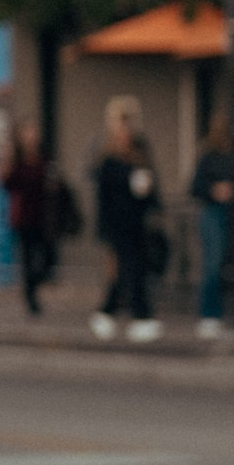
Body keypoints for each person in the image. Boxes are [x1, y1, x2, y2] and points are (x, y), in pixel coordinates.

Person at [91, 97, 163, 344]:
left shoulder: (141, 155)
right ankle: (140, 315)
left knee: (130, 270)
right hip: (116, 224)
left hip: (137, 223)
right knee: (127, 270)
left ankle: (107, 313)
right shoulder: (107, 160)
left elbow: (152, 190)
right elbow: (102, 198)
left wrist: (149, 195)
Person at [189, 116, 234, 339]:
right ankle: (210, 313)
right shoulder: (209, 156)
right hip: (214, 212)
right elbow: (195, 186)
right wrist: (214, 190)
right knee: (214, 262)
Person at [5, 123, 59, 316]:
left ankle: (35, 286)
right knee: (27, 258)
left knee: (45, 257)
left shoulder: (44, 156)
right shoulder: (17, 160)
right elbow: (8, 184)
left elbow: (52, 183)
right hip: (23, 216)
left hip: (42, 216)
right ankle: (31, 298)